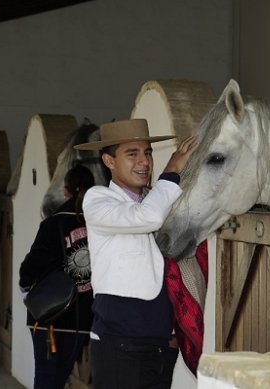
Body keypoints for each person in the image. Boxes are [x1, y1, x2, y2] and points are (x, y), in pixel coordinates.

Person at [73, 118, 198, 388]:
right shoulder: (97, 199)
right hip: (119, 342)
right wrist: (174, 167)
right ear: (109, 161)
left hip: (159, 344)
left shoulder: (157, 198)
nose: (144, 162)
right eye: (132, 154)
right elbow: (148, 217)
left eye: (148, 153)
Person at [19, 164, 96, 389]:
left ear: (65, 191)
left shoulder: (53, 223)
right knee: (59, 380)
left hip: (49, 317)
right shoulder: (101, 222)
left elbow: (31, 268)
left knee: (45, 380)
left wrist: (25, 284)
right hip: (82, 318)